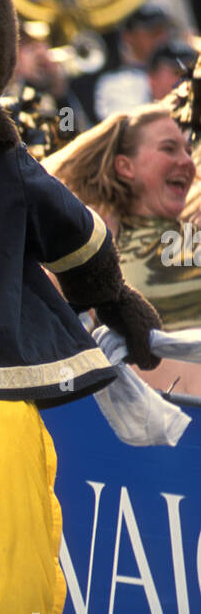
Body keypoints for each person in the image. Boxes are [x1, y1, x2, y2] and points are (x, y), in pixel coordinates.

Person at [45, 104, 201, 396]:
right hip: (138, 416)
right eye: (169, 149)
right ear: (125, 166)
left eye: (188, 151)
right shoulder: (92, 235)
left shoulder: (187, 235)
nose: (187, 162)